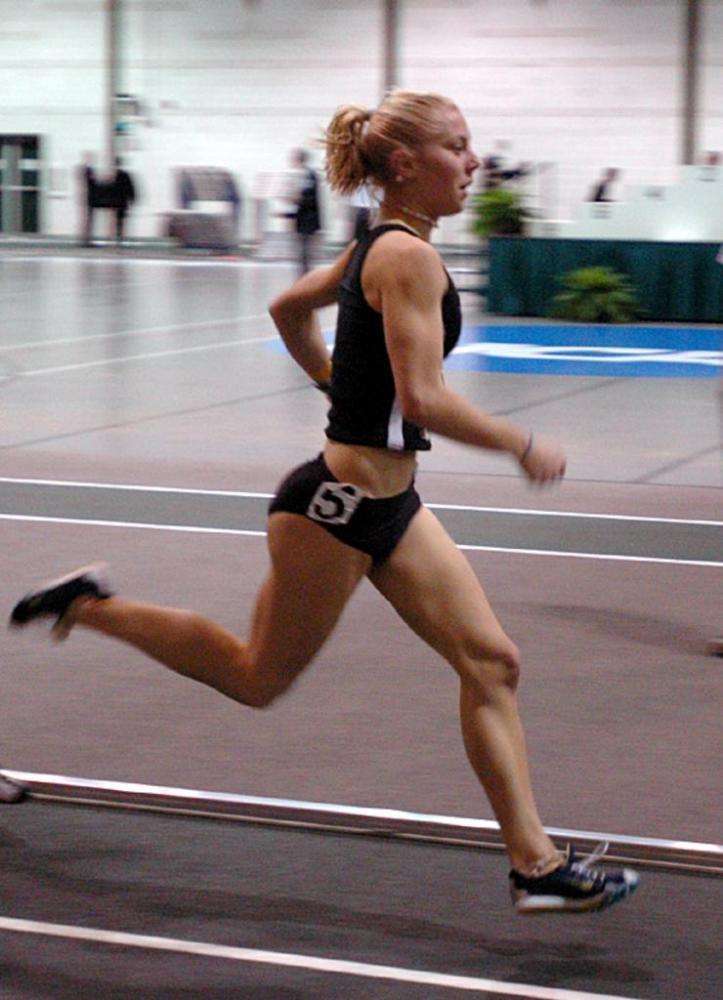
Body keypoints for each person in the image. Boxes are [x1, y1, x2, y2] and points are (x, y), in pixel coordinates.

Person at [9, 89, 639, 915]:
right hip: (333, 509)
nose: (474, 162)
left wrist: (339, 391)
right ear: (406, 165)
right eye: (458, 146)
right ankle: (90, 607)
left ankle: (535, 866)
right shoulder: (404, 257)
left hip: (392, 506)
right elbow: (422, 400)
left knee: (493, 662)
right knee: (255, 676)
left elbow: (286, 309)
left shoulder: (381, 244)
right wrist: (520, 444)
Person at [287, 148, 321, 274]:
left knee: (305, 253)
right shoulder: (304, 175)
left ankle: (305, 277)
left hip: (307, 221)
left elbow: (308, 200)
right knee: (302, 253)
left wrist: (295, 200)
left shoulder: (308, 176)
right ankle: (304, 276)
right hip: (303, 220)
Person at [110, 157, 136, 243]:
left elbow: (111, 189)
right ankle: (120, 236)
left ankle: (119, 236)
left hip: (117, 201)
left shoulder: (114, 175)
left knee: (118, 220)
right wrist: (132, 199)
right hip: (122, 201)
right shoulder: (124, 175)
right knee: (121, 220)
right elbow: (130, 188)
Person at [77, 151, 98, 246]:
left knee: (88, 219)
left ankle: (86, 239)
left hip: (89, 196)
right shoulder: (87, 170)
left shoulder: (86, 170)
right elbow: (91, 182)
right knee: (88, 219)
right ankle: (86, 240)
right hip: (90, 197)